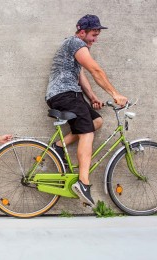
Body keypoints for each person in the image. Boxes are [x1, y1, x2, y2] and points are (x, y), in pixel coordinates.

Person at [45, 15, 128, 206]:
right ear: (82, 31)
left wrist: (92, 97)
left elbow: (80, 74)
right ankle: (83, 183)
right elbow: (95, 70)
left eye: (97, 35)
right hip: (65, 94)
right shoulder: (75, 43)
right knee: (87, 132)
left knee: (96, 122)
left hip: (69, 95)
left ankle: (59, 147)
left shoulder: (74, 48)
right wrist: (115, 93)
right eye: (93, 34)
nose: (95, 39)